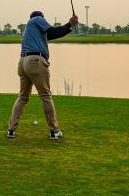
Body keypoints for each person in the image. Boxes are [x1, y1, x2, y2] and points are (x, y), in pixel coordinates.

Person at [7, 11, 78, 140]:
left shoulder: (30, 30)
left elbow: (52, 34)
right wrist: (70, 23)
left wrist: (70, 27)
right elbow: (54, 31)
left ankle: (11, 130)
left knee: (22, 97)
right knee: (45, 96)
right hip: (35, 61)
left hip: (23, 63)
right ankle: (54, 131)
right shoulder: (37, 19)